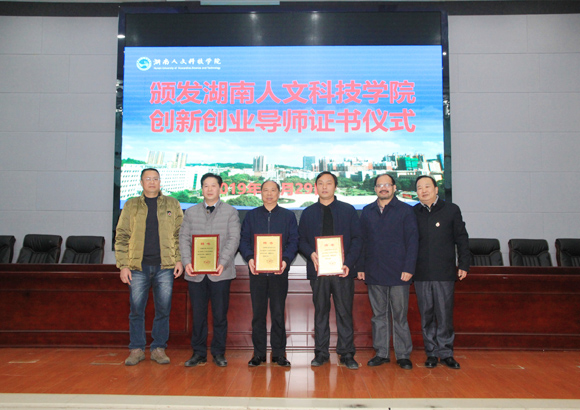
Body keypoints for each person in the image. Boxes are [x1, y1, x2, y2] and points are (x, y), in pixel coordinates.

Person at [115, 168, 184, 366]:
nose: (152, 182)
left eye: (155, 179)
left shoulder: (172, 203)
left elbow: (180, 235)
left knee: (163, 310)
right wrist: (123, 265)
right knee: (137, 310)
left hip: (165, 266)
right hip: (137, 267)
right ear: (141, 182)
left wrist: (179, 259)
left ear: (160, 182)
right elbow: (121, 236)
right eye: (148, 179)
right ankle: (136, 349)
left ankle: (158, 348)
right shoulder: (131, 204)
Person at [298, 171, 362, 370]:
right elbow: (301, 240)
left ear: (335, 186)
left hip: (343, 271)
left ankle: (347, 353)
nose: (324, 187)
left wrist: (348, 263)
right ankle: (321, 353)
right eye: (320, 183)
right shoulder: (308, 213)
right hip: (318, 271)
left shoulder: (348, 210)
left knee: (344, 312)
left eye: (328, 183)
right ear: (316, 187)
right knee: (321, 312)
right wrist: (311, 253)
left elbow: (357, 239)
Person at [357, 174, 418, 370]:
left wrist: (409, 268)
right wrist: (361, 267)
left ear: (394, 187)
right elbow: (362, 241)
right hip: (374, 271)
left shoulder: (406, 211)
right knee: (378, 316)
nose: (383, 188)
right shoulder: (367, 211)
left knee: (399, 316)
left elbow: (413, 241)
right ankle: (381, 353)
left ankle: (403, 355)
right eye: (379, 185)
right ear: (375, 189)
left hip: (400, 273)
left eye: (387, 185)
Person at [179, 173, 240, 368]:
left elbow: (234, 239)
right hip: (195, 273)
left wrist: (222, 262)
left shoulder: (231, 212)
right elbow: (183, 239)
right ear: (202, 189)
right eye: (206, 185)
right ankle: (198, 353)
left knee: (220, 316)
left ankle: (218, 353)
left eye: (213, 185)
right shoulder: (190, 212)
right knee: (198, 316)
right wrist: (187, 262)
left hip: (220, 272)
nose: (210, 189)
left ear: (220, 188)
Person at [239, 180, 299, 367]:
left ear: (279, 193)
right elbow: (243, 240)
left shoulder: (288, 216)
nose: (269, 194)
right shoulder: (251, 216)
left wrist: (285, 260)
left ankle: (279, 354)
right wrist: (249, 258)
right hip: (257, 273)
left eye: (273, 190)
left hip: (279, 273)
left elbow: (294, 241)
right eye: (265, 190)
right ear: (261, 193)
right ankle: (258, 354)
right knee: (258, 314)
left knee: (278, 314)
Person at [413, 175, 469, 369]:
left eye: (427, 186)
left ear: (436, 189)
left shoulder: (451, 210)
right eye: (419, 188)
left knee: (444, 315)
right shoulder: (413, 212)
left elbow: (462, 238)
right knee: (426, 315)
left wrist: (464, 264)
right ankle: (431, 353)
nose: (423, 190)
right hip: (421, 273)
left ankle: (446, 353)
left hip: (444, 272)